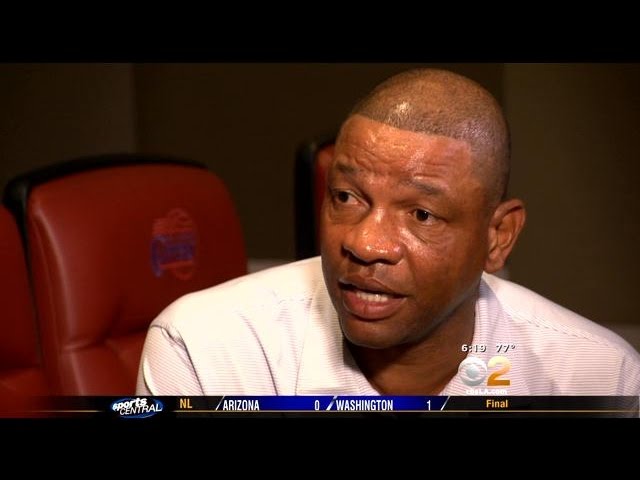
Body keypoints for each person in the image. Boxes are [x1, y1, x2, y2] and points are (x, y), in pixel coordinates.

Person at [136, 68, 640, 396]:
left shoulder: (600, 378)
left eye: (421, 214)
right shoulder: (204, 348)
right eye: (346, 198)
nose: (364, 244)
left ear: (497, 236)